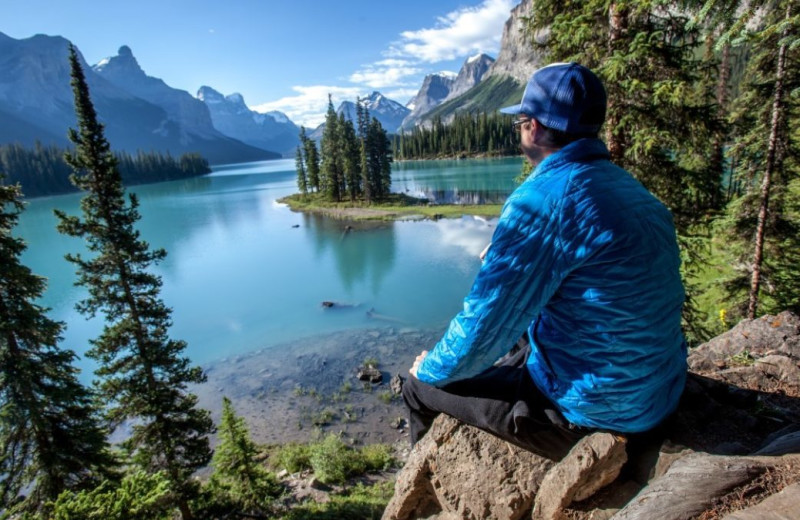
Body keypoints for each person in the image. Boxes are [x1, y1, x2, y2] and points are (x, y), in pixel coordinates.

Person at [403, 62, 687, 460]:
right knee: (519, 336)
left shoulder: (542, 199)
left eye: (520, 121)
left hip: (594, 412)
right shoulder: (633, 190)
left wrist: (427, 368)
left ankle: (419, 497)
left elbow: (483, 327)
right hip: (659, 393)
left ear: (532, 127)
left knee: (417, 388)